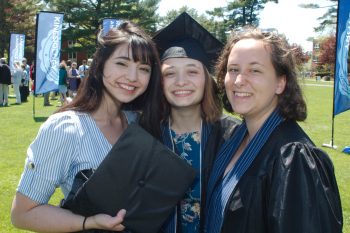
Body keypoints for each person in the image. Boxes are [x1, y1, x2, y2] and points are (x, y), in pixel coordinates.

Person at [11, 21, 163, 232]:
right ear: (100, 65)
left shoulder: (138, 123)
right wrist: (87, 222)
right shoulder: (67, 129)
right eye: (122, 63)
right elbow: (22, 214)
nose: (132, 77)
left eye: (143, 69)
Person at [204, 27, 343, 233]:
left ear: (280, 83)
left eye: (255, 70)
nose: (239, 80)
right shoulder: (235, 137)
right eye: (233, 69)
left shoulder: (295, 159)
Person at [153, 12, 240, 233]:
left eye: (192, 71)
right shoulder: (147, 135)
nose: (181, 82)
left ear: (206, 80)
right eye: (170, 73)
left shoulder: (234, 136)